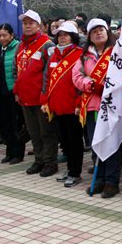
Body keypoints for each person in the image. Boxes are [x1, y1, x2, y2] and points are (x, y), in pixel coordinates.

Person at [73, 18, 120, 195]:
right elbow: (76, 76)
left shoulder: (117, 52)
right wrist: (91, 85)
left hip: (112, 105)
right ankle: (99, 179)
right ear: (89, 36)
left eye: (101, 30)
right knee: (96, 143)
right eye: (94, 31)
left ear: (107, 32)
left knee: (111, 144)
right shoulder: (85, 56)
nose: (98, 33)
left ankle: (111, 181)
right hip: (93, 106)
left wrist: (109, 85)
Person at [15, 10, 59, 177]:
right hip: (25, 97)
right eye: (25, 23)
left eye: (31, 23)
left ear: (39, 25)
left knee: (46, 132)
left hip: (41, 98)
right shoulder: (21, 45)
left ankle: (50, 162)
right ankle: (39, 160)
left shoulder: (47, 44)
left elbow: (52, 72)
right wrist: (17, 91)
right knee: (33, 132)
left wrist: (46, 95)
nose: (27, 26)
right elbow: (16, 70)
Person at [42, 22, 85, 188]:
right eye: (59, 35)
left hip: (73, 107)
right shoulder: (54, 55)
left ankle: (75, 172)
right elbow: (47, 79)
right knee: (64, 141)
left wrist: (79, 103)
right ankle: (69, 169)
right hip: (57, 106)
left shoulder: (80, 54)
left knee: (74, 142)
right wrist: (45, 101)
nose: (62, 38)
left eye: (66, 35)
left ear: (72, 37)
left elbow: (82, 82)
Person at [0, 23, 23, 164]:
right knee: (5, 124)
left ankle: (18, 153)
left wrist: (17, 90)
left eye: (5, 35)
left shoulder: (18, 47)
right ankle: (9, 152)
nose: (2, 38)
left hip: (12, 91)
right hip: (0, 92)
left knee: (16, 124)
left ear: (12, 35)